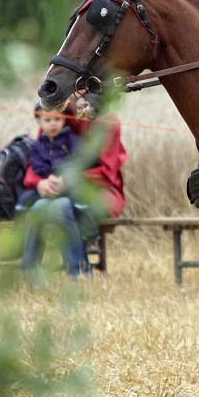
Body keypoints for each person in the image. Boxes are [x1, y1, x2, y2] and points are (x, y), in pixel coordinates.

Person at [20, 99, 127, 276]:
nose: (79, 96)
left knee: (59, 207)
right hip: (60, 191)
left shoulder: (107, 119)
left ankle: (79, 271)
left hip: (100, 192)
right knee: (39, 208)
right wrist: (39, 182)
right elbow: (39, 156)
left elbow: (107, 170)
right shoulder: (59, 114)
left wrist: (70, 180)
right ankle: (30, 271)